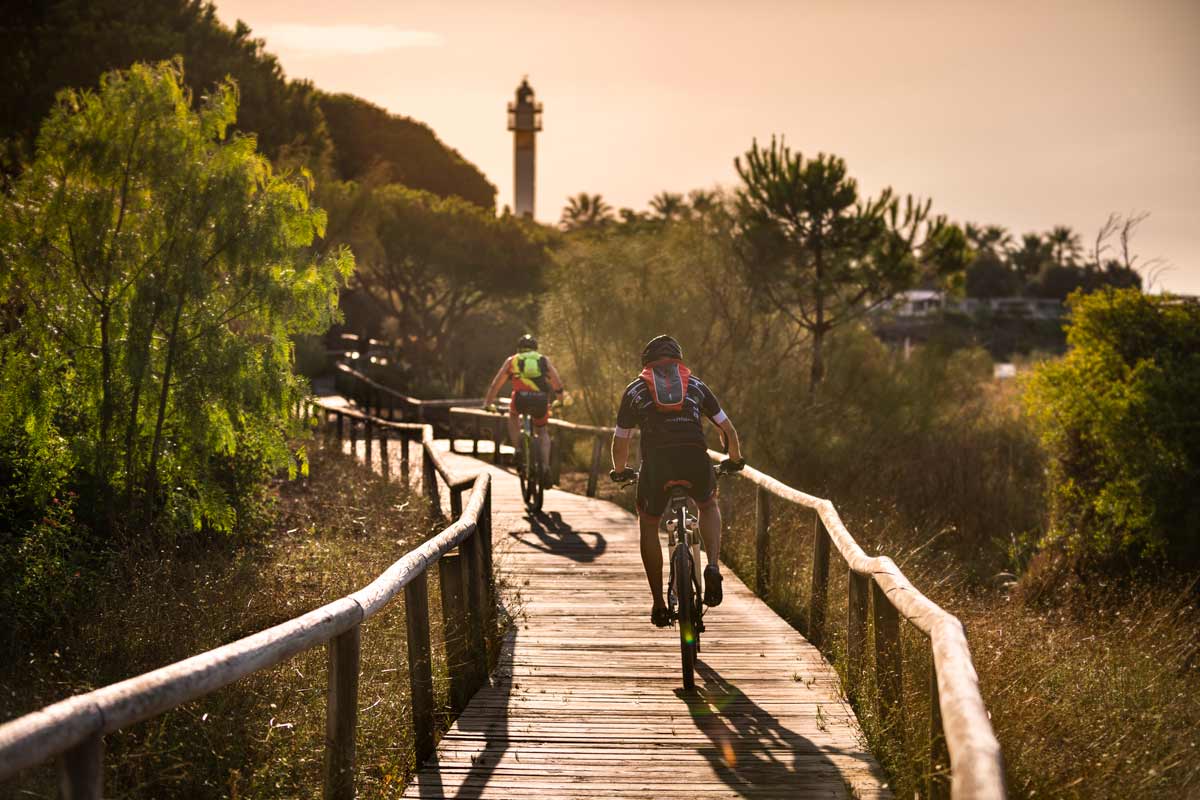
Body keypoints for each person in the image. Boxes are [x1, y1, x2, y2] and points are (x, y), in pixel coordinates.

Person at [609, 335, 744, 627]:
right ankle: (711, 567)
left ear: (647, 364)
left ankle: (658, 603)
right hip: (695, 460)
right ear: (679, 361)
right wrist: (734, 460)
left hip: (657, 466)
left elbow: (621, 440)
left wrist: (620, 470)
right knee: (707, 506)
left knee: (647, 523)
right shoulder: (696, 386)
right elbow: (728, 430)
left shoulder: (635, 390)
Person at [483, 334, 565, 474]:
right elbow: (557, 382)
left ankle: (519, 449)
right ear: (535, 349)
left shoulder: (512, 360)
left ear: (519, 349)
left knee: (513, 415)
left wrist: (488, 403)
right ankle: (545, 467)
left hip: (520, 400)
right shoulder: (543, 360)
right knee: (543, 431)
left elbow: (496, 385)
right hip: (541, 400)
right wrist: (560, 400)